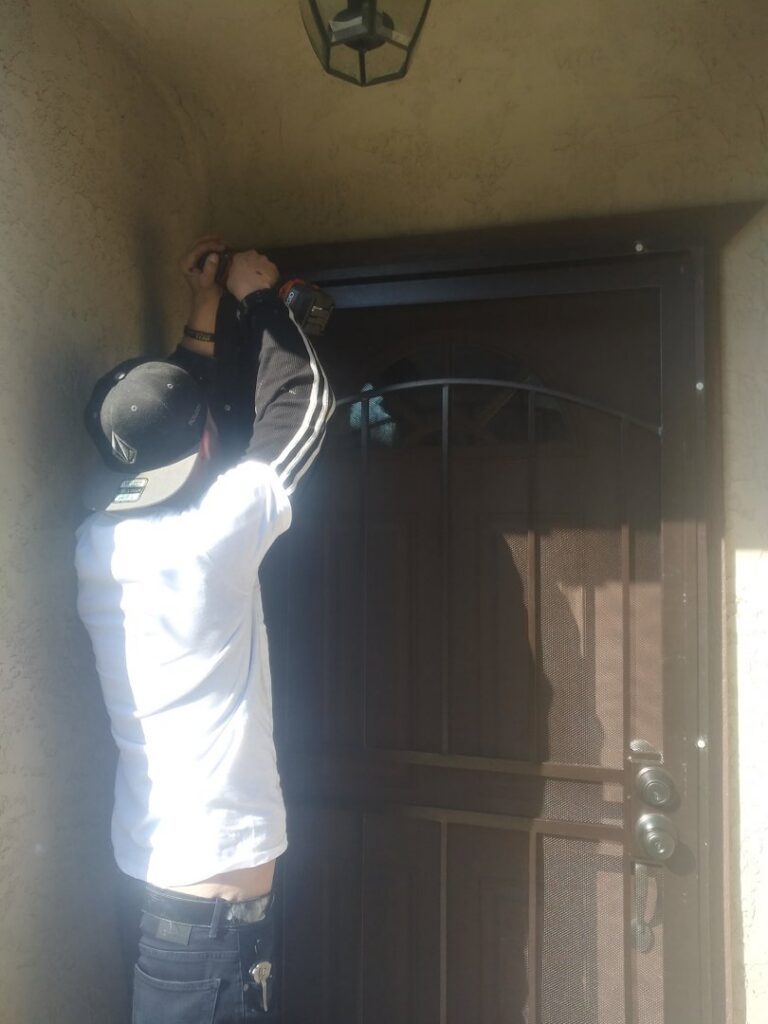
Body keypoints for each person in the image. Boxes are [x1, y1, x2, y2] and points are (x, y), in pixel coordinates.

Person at [75, 237, 334, 1022]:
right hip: (212, 927)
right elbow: (305, 409)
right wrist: (258, 300)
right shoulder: (209, 542)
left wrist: (205, 308)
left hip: (160, 892)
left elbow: (169, 432)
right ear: (205, 448)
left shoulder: (95, 545)